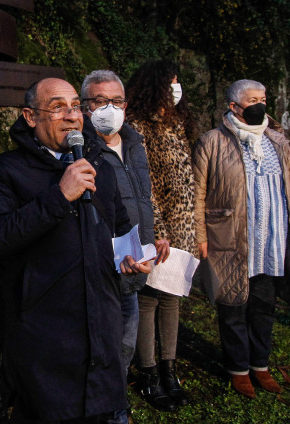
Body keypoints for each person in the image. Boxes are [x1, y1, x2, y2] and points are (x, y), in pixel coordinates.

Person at [0, 77, 146, 423]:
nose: (71, 116)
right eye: (57, 107)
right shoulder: (2, 172)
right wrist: (59, 195)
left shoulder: (99, 167)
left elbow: (120, 229)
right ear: (29, 116)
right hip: (45, 342)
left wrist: (135, 256)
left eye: (75, 107)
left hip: (102, 332)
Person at [192, 79, 290, 398]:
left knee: (263, 306)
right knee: (232, 306)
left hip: (270, 241)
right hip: (229, 239)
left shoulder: (278, 141)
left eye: (263, 98)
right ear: (233, 107)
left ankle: (260, 365)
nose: (260, 105)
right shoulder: (212, 142)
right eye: (252, 99)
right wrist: (200, 235)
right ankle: (238, 369)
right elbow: (197, 192)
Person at [81, 70, 167, 423]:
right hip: (101, 270)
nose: (108, 109)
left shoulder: (135, 142)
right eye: (99, 101)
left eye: (116, 101)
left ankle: (117, 407)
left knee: (124, 348)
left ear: (126, 106)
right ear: (84, 105)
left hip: (136, 265)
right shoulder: (79, 146)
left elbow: (143, 197)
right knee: (98, 350)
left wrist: (154, 234)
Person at [124, 61, 197, 410]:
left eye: (178, 83)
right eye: (171, 83)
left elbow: (187, 180)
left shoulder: (177, 124)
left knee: (173, 299)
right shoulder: (138, 127)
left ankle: (169, 369)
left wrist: (193, 230)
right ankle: (149, 372)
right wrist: (160, 233)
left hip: (183, 229)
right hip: (159, 230)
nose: (176, 89)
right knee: (149, 299)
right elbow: (145, 184)